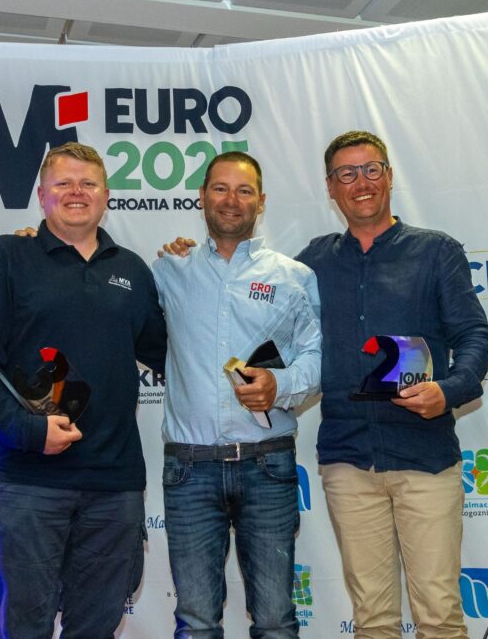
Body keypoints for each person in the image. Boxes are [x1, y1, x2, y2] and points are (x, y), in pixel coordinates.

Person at [0, 141, 167, 638]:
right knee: (24, 628)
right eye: (64, 183)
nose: (77, 192)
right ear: (41, 195)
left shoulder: (132, 270)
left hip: (114, 485)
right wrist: (30, 433)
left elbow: (173, 356)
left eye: (89, 183)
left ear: (106, 195)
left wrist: (190, 268)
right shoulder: (7, 256)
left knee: (96, 628)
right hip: (28, 480)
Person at [294, 131, 488, 639]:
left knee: (440, 617)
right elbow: (272, 326)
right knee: (373, 620)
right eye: (346, 173)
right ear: (330, 187)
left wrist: (449, 390)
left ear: (388, 176)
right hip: (348, 460)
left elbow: (474, 335)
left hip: (424, 456)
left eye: (371, 169)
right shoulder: (311, 262)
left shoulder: (436, 252)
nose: (360, 182)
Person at [154, 151, 322, 638]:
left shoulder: (293, 276)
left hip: (267, 465)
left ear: (261, 201)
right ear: (202, 196)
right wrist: (39, 245)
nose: (232, 200)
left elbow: (316, 357)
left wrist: (279, 385)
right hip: (190, 468)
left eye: (244, 190)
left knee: (275, 621)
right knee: (196, 624)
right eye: (221, 188)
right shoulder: (168, 269)